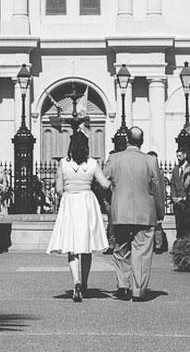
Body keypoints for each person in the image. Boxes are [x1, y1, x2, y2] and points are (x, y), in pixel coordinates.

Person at [47, 131, 111, 302]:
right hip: (86, 201)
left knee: (72, 246)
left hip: (70, 200)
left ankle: (75, 280)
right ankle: (84, 282)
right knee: (86, 246)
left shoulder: (63, 163)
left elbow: (59, 189)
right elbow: (104, 184)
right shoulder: (92, 163)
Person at [103, 125, 165, 303]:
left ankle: (123, 285)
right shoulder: (150, 161)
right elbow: (158, 188)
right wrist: (160, 211)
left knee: (121, 248)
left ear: (127, 140)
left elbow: (103, 182)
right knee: (142, 252)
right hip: (144, 212)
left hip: (120, 210)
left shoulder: (114, 159)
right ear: (142, 141)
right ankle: (138, 290)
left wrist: (110, 200)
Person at [170, 148, 188, 235]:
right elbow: (172, 183)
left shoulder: (189, 168)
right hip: (177, 201)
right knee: (178, 224)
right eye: (177, 156)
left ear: (185, 155)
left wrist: (183, 198)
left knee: (186, 224)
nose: (178, 158)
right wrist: (173, 197)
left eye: (180, 156)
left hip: (186, 201)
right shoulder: (175, 169)